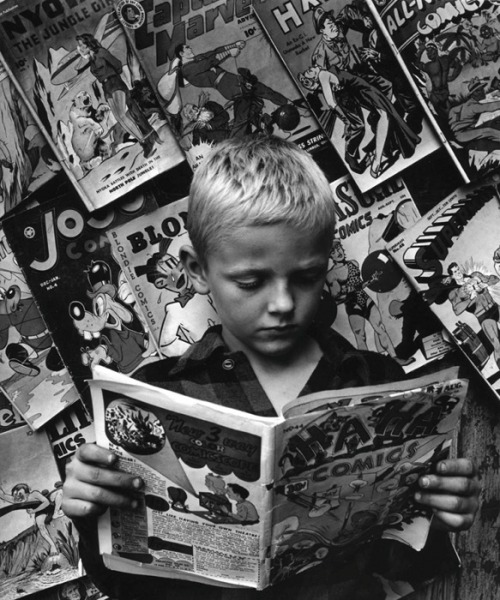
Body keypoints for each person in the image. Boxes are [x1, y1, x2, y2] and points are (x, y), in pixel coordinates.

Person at [62, 136, 480, 600]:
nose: (282, 304)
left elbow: (400, 566)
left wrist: (435, 519)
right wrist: (92, 513)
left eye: (305, 277)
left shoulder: (378, 384)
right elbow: (126, 584)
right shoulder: (150, 400)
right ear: (196, 270)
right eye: (252, 281)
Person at [75, 33, 159, 158]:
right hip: (106, 88)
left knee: (122, 115)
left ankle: (146, 141)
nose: (80, 48)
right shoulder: (91, 61)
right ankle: (144, 141)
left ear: (89, 43)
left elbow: (117, 64)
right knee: (120, 118)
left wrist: (117, 78)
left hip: (115, 83)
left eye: (82, 45)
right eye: (79, 46)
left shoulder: (101, 52)